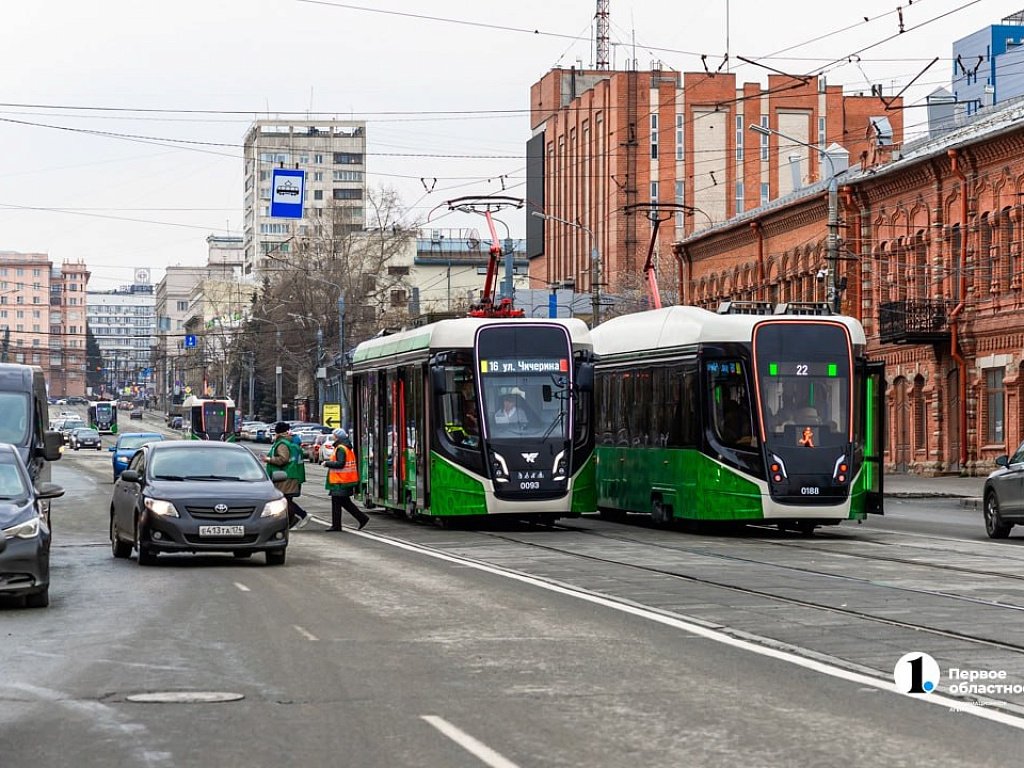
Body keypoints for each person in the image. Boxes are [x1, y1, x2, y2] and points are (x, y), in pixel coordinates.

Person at [264, 422, 310, 528]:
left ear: (277, 432)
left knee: (284, 500)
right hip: (287, 475)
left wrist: (268, 459)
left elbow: (283, 459)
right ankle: (291, 521)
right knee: (286, 500)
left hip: (284, 476)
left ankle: (303, 515)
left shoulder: (282, 444)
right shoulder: (287, 442)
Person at [322, 429, 369, 531]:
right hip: (344, 480)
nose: (333, 436)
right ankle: (361, 519)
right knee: (344, 503)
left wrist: (327, 463)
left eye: (334, 435)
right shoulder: (345, 447)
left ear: (337, 437)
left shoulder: (341, 448)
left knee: (337, 502)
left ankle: (337, 525)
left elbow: (340, 463)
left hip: (340, 480)